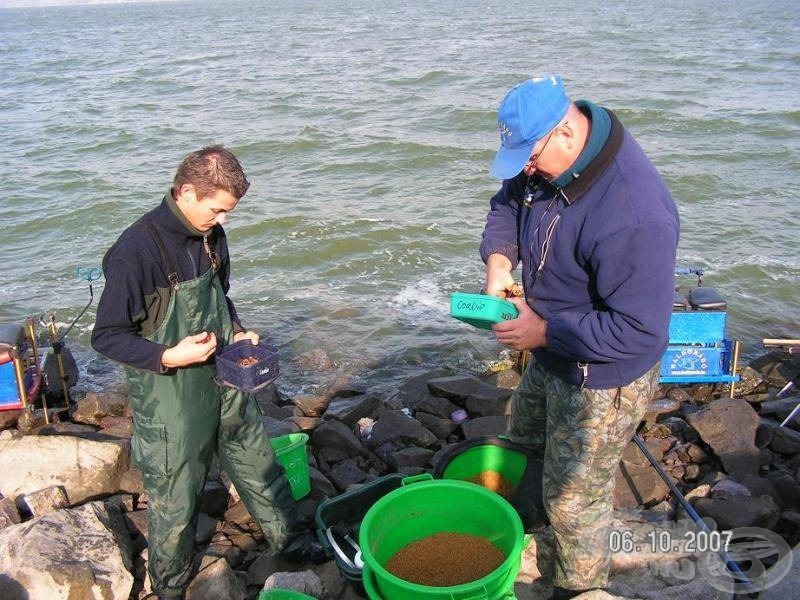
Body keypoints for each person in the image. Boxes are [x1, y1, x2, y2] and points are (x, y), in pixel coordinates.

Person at [92, 146, 323, 600]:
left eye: (228, 212)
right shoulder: (134, 252)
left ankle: (293, 544)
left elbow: (221, 294)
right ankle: (171, 586)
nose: (222, 221)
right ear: (185, 192)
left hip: (225, 376)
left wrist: (236, 332)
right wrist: (169, 355)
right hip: (170, 393)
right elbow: (107, 336)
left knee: (259, 462)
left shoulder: (211, 234)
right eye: (216, 209)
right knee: (176, 496)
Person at [480, 76, 679, 598]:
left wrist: (542, 329)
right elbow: (509, 202)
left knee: (574, 502)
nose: (524, 168)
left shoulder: (634, 214)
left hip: (602, 378)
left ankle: (579, 586)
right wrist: (500, 262)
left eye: (529, 156)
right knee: (523, 439)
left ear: (566, 132)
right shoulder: (548, 162)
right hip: (549, 351)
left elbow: (638, 330)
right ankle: (526, 528)